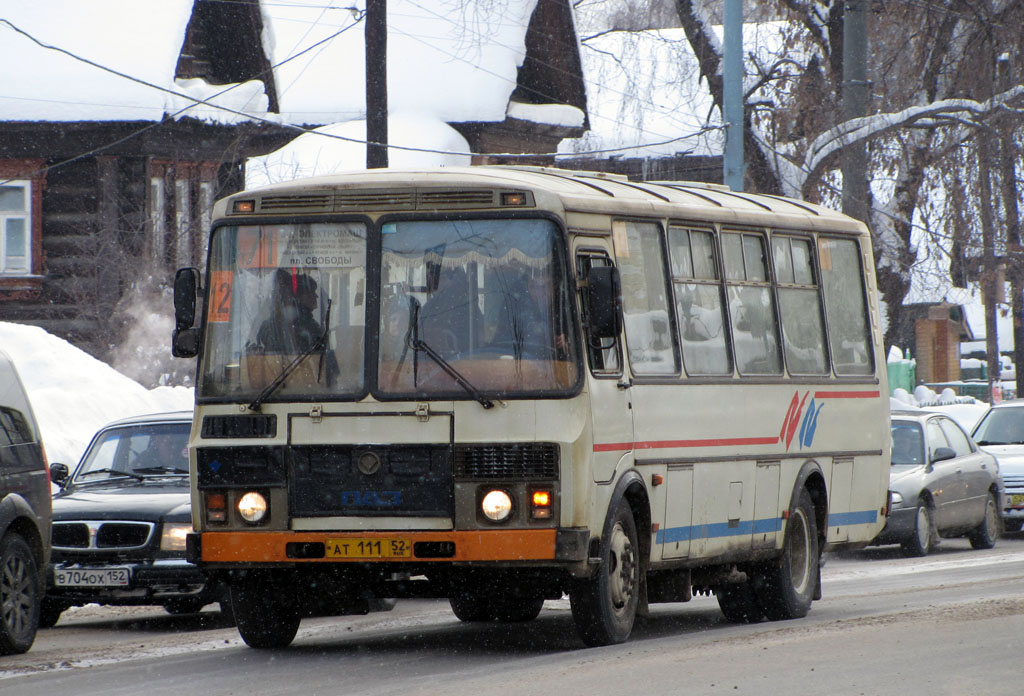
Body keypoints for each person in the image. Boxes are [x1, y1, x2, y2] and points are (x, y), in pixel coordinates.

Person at [255, 270, 324, 353]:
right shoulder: (306, 326)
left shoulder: (268, 325)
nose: (316, 296)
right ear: (300, 296)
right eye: (311, 292)